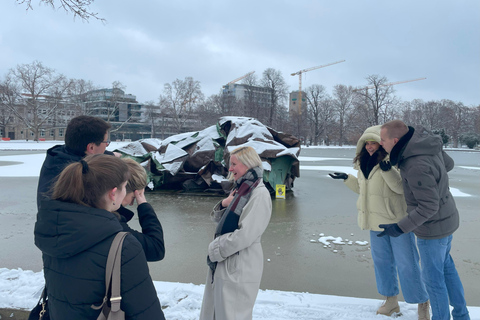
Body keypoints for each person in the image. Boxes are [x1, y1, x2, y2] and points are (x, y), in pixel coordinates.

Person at [34, 154, 165, 319]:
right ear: (113, 193)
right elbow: (147, 313)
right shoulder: (122, 245)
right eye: (125, 187)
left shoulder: (53, 230)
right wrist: (144, 205)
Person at [329, 125, 430, 318]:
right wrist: (346, 178)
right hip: (374, 222)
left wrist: (387, 171)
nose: (369, 146)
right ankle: (391, 302)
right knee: (382, 263)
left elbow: (402, 189)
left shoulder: (395, 161)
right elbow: (363, 190)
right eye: (366, 143)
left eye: (373, 142)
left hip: (397, 223)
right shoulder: (362, 163)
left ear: (381, 142)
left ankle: (422, 302)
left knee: (407, 264)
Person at [379, 120, 470, 320]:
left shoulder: (415, 164)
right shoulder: (425, 147)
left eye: (382, 140)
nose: (380, 144)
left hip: (432, 230)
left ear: (395, 141)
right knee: (447, 270)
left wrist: (399, 228)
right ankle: (462, 316)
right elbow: (449, 164)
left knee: (433, 282)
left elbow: (428, 207)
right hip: (447, 220)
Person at [199, 146, 272, 320]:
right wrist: (224, 204)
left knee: (233, 315)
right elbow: (223, 222)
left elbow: (246, 235)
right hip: (228, 263)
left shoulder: (259, 194)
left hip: (240, 266)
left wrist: (215, 249)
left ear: (248, 164)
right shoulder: (242, 190)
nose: (230, 169)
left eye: (234, 164)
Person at [36, 115, 116, 210]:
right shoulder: (80, 174)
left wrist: (112, 155)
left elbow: (92, 154)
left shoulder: (57, 156)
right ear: (91, 147)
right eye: (106, 142)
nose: (107, 145)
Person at [116, 158, 165, 262]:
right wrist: (143, 205)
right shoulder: (114, 225)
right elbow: (156, 249)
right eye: (133, 198)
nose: (130, 203)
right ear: (121, 190)